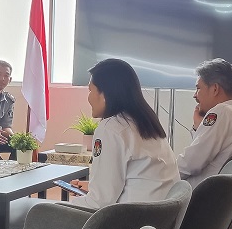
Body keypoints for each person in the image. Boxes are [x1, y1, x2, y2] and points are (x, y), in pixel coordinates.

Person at [67, 58, 180, 210]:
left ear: (105, 93)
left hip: (130, 220)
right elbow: (137, 178)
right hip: (159, 218)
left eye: (90, 90)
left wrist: (61, 206)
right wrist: (94, 187)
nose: (88, 98)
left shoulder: (110, 128)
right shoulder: (146, 122)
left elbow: (99, 203)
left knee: (41, 211)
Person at [177, 58, 232, 187]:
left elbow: (190, 164)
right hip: (223, 193)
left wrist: (163, 176)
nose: (195, 95)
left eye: (198, 88)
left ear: (215, 89)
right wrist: (198, 127)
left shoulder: (221, 113)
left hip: (199, 193)